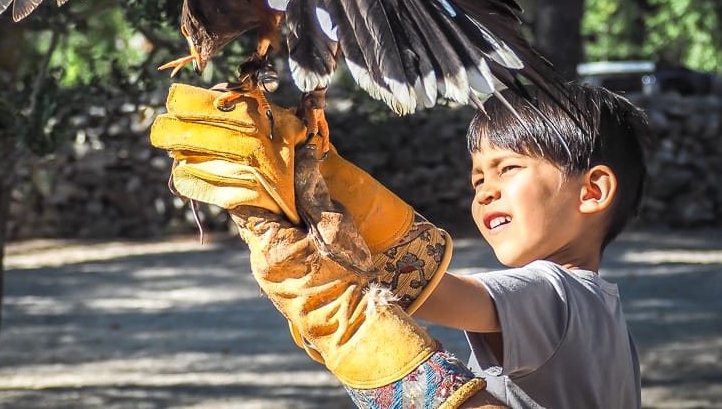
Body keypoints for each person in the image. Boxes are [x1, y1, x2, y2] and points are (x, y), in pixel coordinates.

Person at [150, 81, 650, 408]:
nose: (485, 189)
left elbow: (425, 291)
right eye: (477, 177)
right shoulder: (604, 313)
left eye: (509, 168)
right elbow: (416, 273)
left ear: (593, 191)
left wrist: (292, 201)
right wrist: (319, 172)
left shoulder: (552, 291)